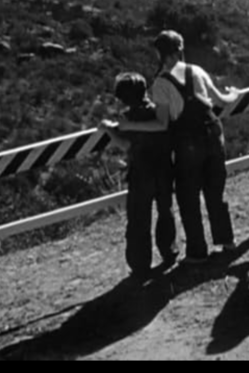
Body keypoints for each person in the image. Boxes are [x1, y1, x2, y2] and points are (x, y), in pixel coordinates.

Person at [150, 30, 241, 264]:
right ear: (179, 50)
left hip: (187, 142)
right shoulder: (197, 71)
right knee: (215, 192)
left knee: (188, 196)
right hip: (213, 133)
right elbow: (221, 100)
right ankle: (227, 241)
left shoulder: (160, 83)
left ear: (162, 54)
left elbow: (162, 122)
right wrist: (235, 93)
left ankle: (197, 252)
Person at [99, 72, 178, 280]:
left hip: (142, 172)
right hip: (164, 169)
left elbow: (126, 144)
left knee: (138, 219)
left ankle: (140, 264)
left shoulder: (129, 118)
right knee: (165, 211)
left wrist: (109, 129)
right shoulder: (157, 112)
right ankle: (169, 250)